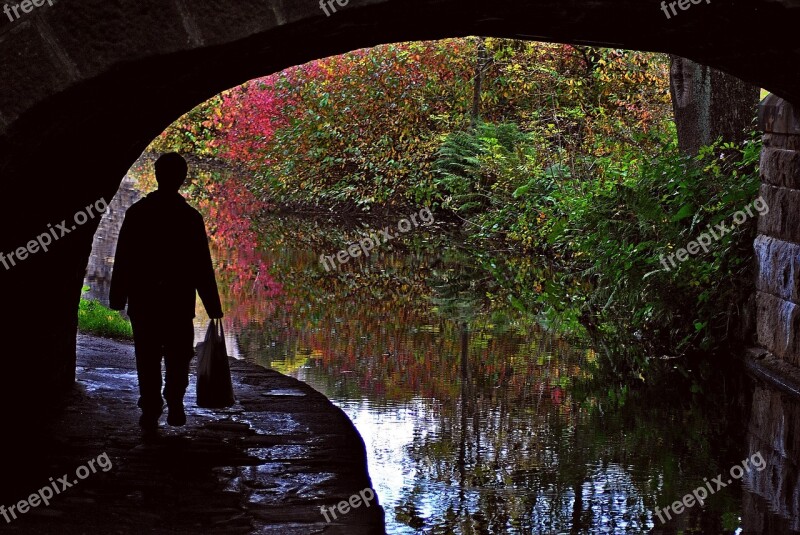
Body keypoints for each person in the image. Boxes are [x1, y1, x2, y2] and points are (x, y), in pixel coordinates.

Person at [110, 153, 223, 430]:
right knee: (178, 353)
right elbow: (201, 266)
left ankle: (150, 404)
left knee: (146, 354)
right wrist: (212, 305)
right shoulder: (190, 218)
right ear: (182, 178)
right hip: (178, 301)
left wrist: (118, 297)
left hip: (144, 299)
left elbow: (124, 256)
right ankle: (174, 398)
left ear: (157, 175)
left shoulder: (137, 213)